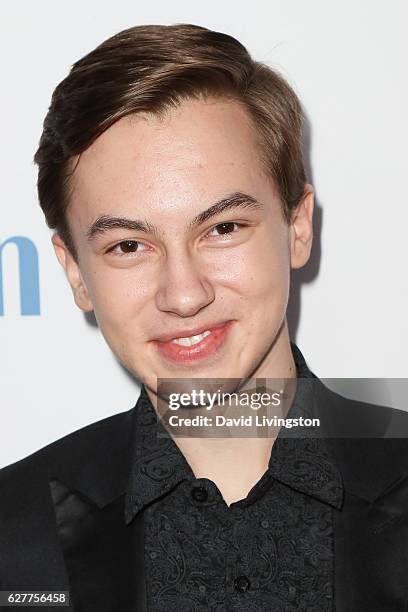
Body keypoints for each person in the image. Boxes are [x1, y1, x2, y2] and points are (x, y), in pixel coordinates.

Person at [1, 23, 407, 612]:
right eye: (128, 246)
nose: (184, 294)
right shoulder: (11, 537)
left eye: (222, 228)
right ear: (73, 272)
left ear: (298, 227)